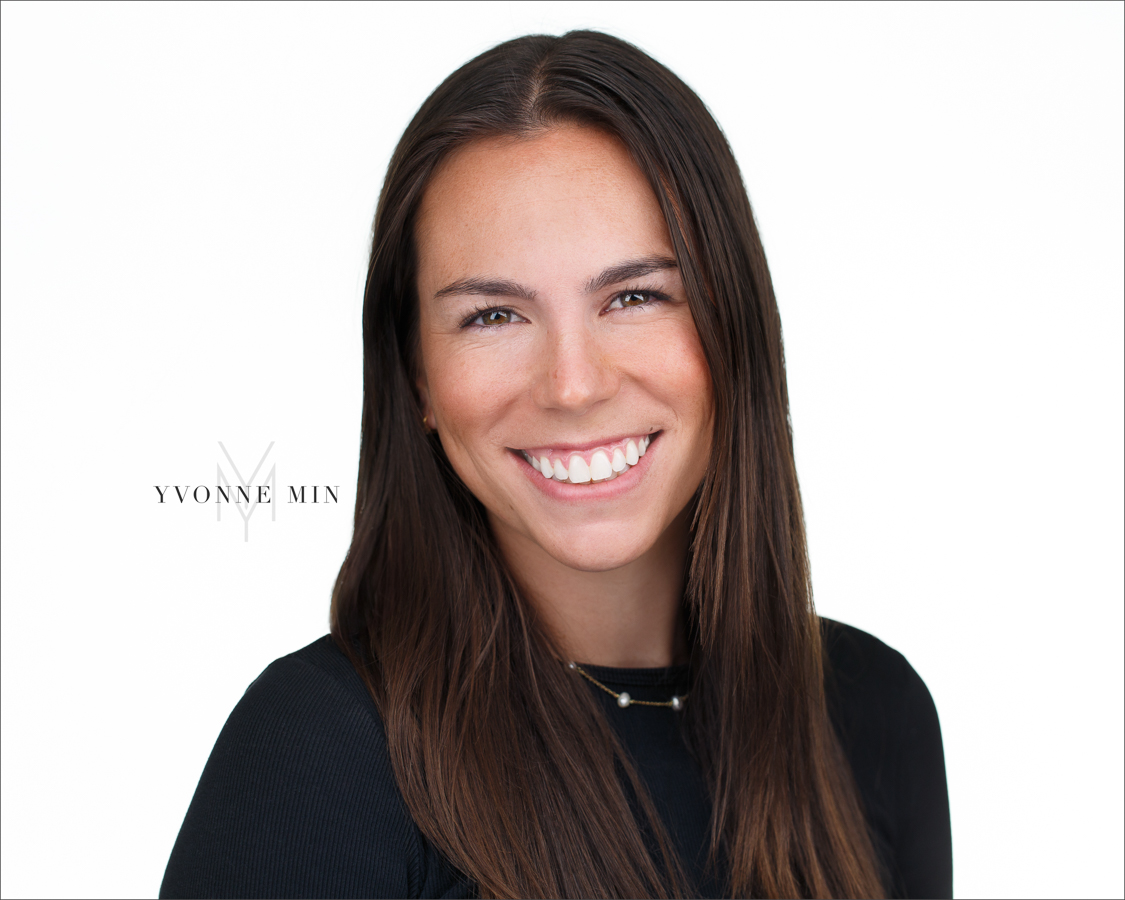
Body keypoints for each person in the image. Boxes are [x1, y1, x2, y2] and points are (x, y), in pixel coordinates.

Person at [160, 30, 951, 899]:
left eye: (635, 296)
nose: (573, 386)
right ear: (417, 375)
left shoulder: (870, 714)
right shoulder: (322, 750)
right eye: (493, 316)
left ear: (734, 329)